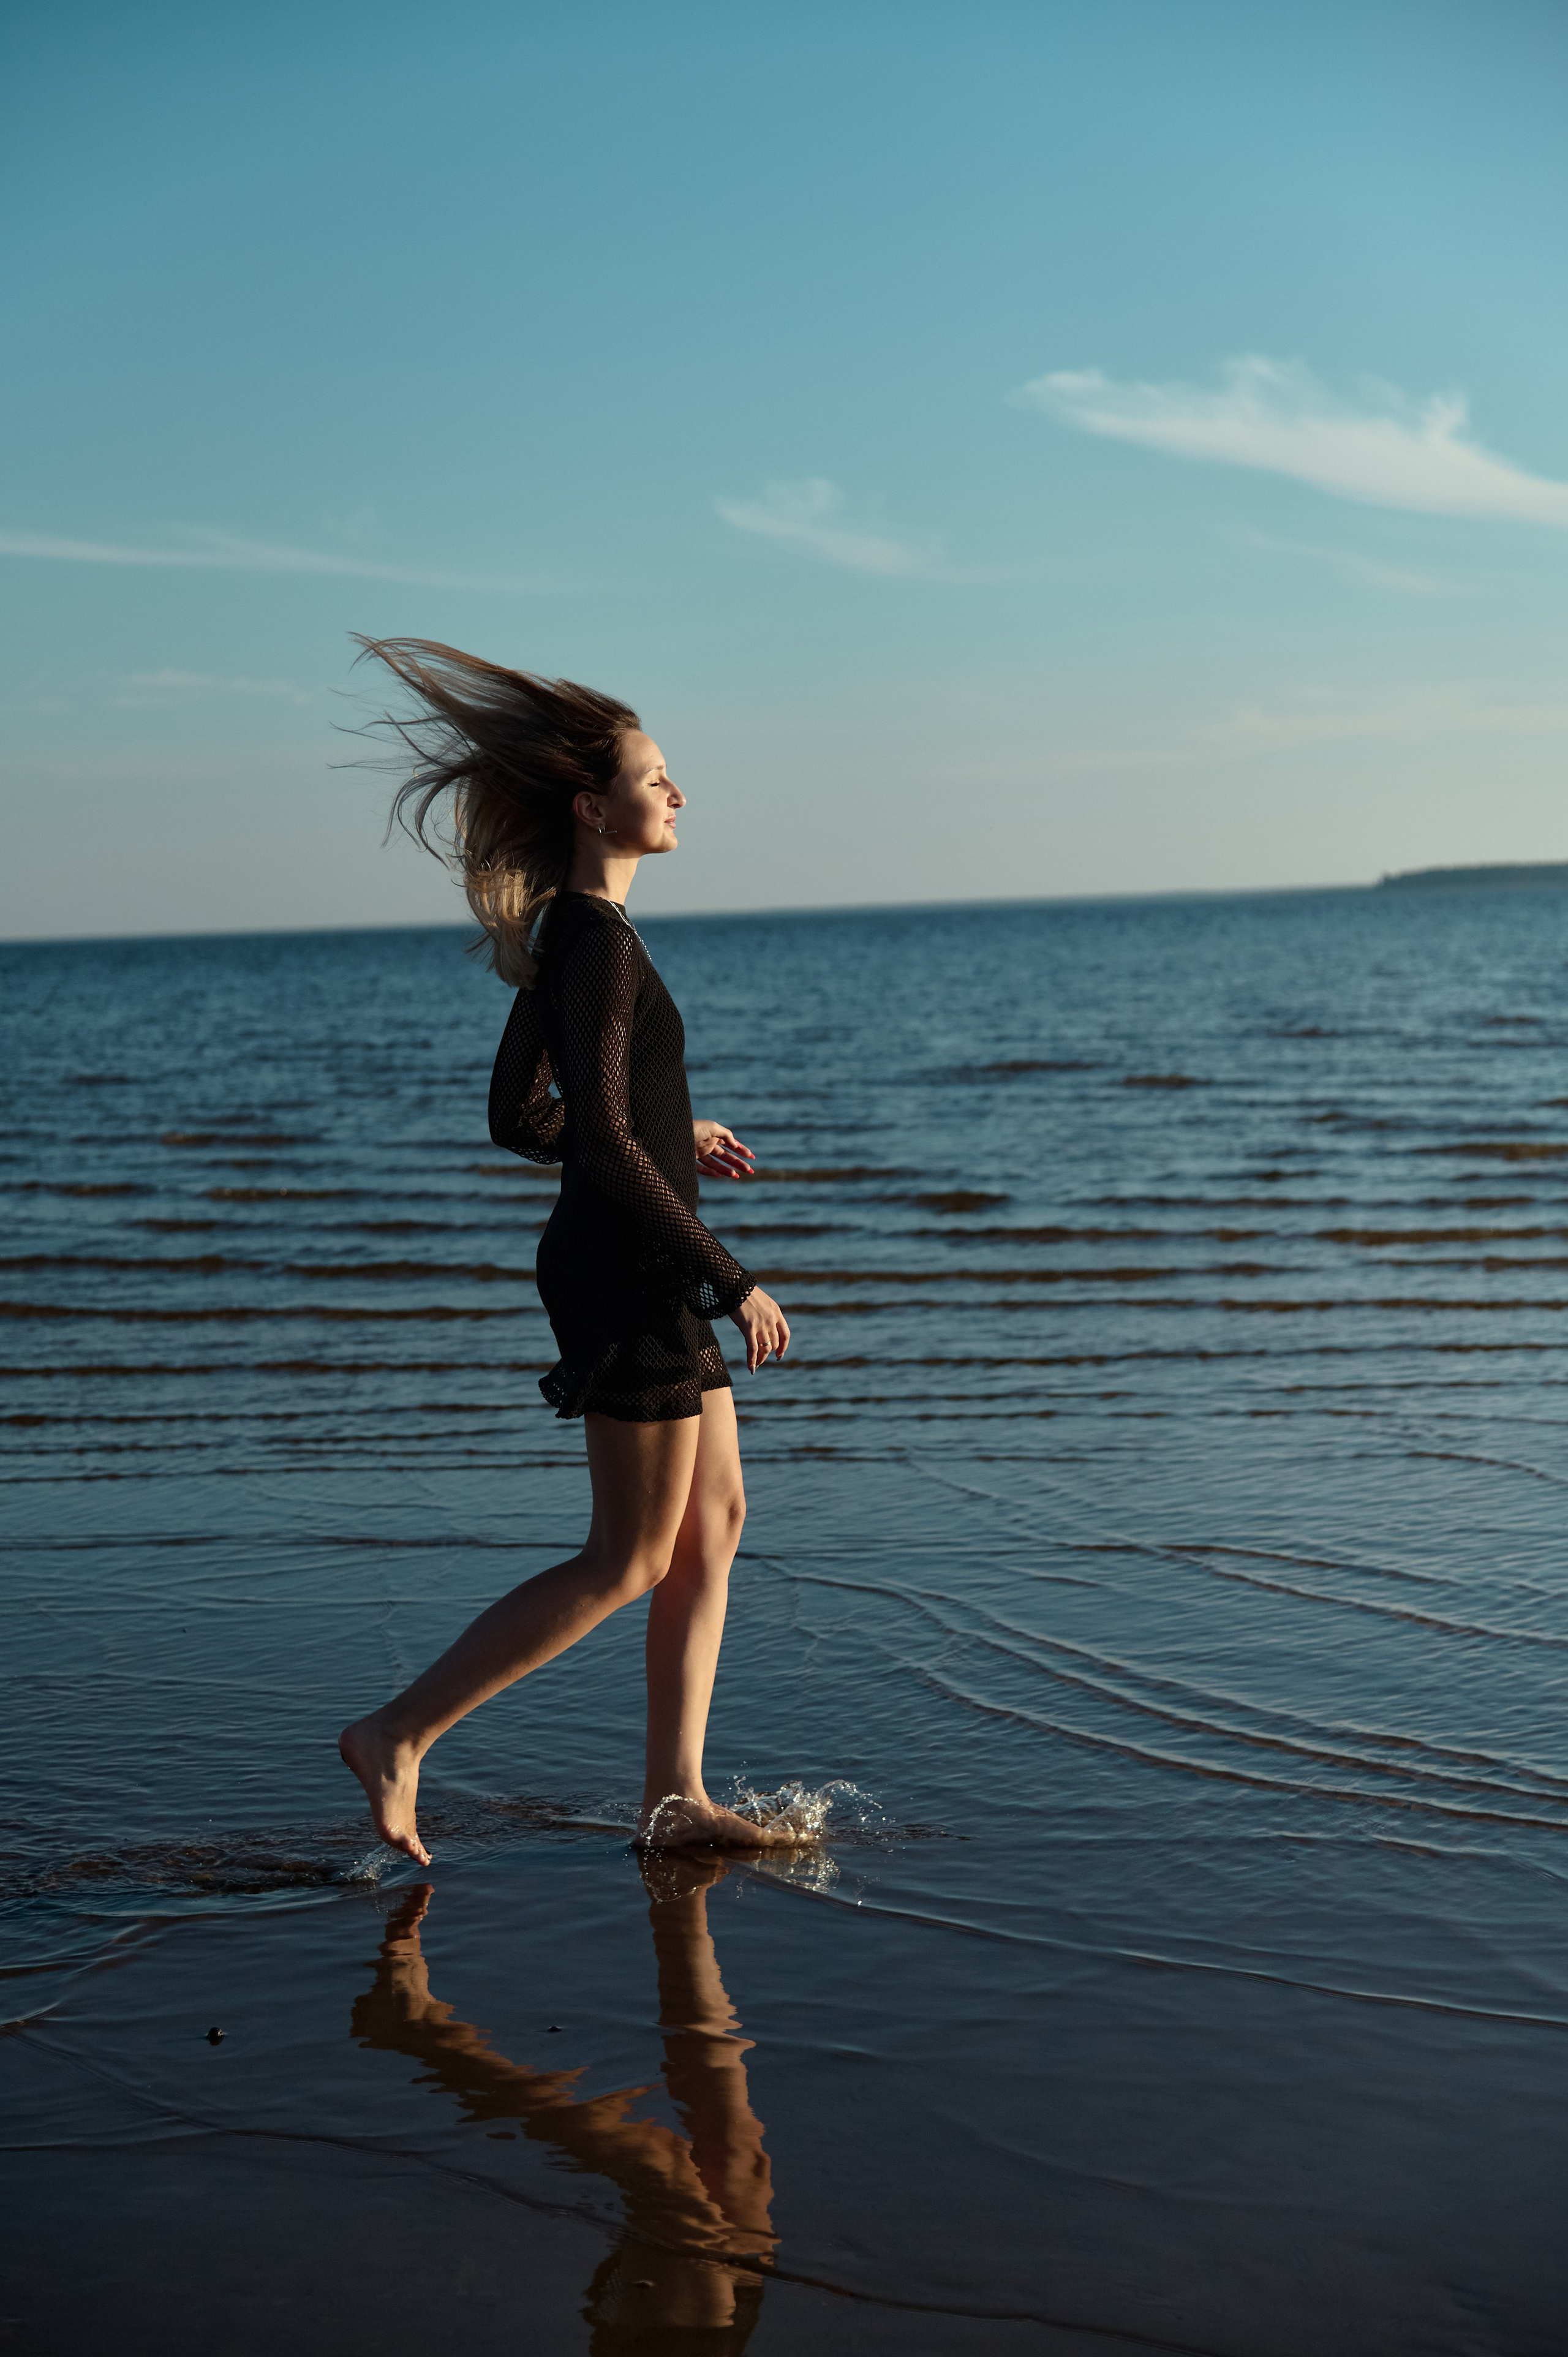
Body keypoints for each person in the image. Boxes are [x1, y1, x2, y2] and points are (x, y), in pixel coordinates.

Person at [338, 639, 796, 1863]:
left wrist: (666, 1125)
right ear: (594, 807)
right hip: (622, 1268)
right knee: (628, 1553)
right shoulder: (593, 939)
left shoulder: (572, 937)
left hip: (619, 1258)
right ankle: (398, 1731)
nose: (676, 792)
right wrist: (729, 1274)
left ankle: (672, 1798)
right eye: (656, 775)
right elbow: (592, 1142)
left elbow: (523, 1117)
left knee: (715, 1521)